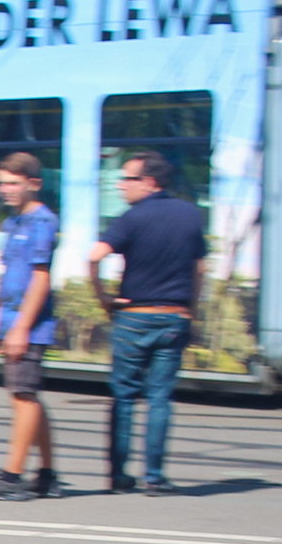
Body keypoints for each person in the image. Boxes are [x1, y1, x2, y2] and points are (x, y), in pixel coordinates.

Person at [87, 149, 208, 494]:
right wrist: (191, 309)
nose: (121, 185)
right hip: (173, 318)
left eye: (128, 178)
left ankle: (119, 476)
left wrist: (104, 298)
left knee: (124, 398)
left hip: (134, 317)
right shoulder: (190, 215)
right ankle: (154, 476)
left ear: (149, 182)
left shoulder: (132, 217)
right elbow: (199, 268)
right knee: (159, 399)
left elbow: (94, 257)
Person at [0, 153, 61, 501]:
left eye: (13, 183)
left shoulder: (42, 222)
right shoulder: (13, 223)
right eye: (1, 183)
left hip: (30, 324)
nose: (5, 190)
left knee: (22, 397)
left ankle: (14, 475)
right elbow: (9, 279)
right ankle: (46, 473)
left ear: (34, 184)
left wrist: (20, 328)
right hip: (12, 319)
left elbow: (40, 279)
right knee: (28, 396)